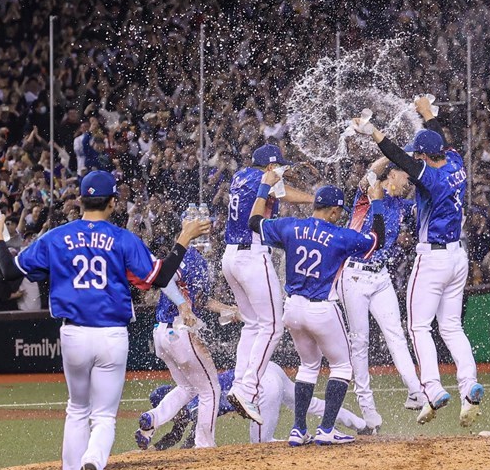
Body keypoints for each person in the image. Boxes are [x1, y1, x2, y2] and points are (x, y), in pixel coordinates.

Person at [0, 170, 209, 470]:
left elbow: (11, 273)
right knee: (103, 416)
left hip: (73, 333)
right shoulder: (122, 238)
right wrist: (183, 238)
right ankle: (93, 465)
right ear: (113, 202)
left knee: (77, 410)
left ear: (81, 199)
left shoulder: (56, 237)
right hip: (112, 335)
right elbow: (159, 277)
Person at [351, 96, 484, 427]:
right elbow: (438, 141)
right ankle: (469, 386)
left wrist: (374, 132)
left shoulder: (432, 177)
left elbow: (397, 156)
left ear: (424, 156)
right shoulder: (454, 164)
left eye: (418, 154)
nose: (415, 158)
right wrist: (426, 114)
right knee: (452, 326)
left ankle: (433, 389)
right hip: (458, 257)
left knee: (419, 326)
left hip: (434, 259)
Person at [249, 173, 385, 446]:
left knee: (308, 366)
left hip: (293, 309)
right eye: (338, 211)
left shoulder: (290, 226)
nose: (339, 215)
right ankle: (326, 429)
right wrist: (377, 203)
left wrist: (264, 187)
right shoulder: (340, 236)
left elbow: (254, 222)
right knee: (343, 367)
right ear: (334, 210)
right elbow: (376, 240)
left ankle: (298, 429)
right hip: (321, 307)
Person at [222, 143, 314, 424]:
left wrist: (294, 170)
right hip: (252, 254)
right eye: (280, 166)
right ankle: (247, 389)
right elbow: (284, 194)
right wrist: (315, 199)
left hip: (230, 256)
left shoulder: (241, 176)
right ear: (272, 166)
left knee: (253, 324)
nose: (282, 170)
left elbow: (277, 188)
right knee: (273, 326)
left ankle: (239, 384)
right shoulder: (264, 179)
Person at [340, 157, 425, 433]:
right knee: (360, 343)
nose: (408, 182)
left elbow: (426, 203)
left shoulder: (401, 203)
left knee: (396, 336)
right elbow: (371, 174)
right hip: (354, 275)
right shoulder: (368, 193)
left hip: (380, 276)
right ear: (392, 175)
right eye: (405, 176)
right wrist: (392, 153)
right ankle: (369, 412)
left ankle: (416, 392)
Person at [133, 246, 237, 450]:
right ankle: (204, 444)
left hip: (161, 332)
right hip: (179, 330)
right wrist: (182, 305)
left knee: (187, 387)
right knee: (211, 390)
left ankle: (153, 418)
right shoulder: (192, 257)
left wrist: (229, 310)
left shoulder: (182, 255)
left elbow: (200, 299)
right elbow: (167, 280)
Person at [145, 362, 367, 450]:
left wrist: (161, 450)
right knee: (311, 405)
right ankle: (360, 424)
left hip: (264, 386)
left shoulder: (195, 405)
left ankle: (304, 442)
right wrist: (155, 449)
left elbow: (190, 439)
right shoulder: (193, 399)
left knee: (261, 444)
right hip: (269, 369)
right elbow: (177, 434)